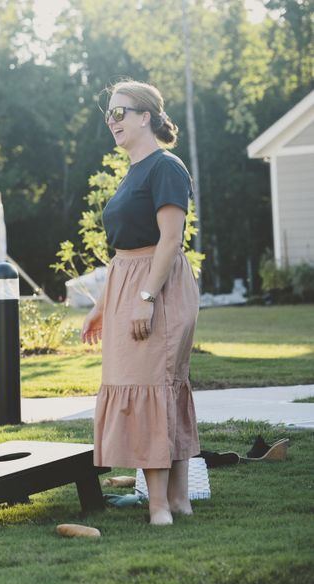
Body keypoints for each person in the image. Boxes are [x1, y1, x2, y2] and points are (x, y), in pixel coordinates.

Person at [81, 80, 201, 525]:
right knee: (155, 387)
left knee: (156, 387)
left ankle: (162, 506)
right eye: (108, 114)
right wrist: (103, 303)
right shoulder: (134, 171)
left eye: (120, 112)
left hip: (157, 284)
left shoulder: (165, 167)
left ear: (145, 116)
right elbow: (123, 249)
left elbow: (171, 239)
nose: (112, 121)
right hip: (129, 283)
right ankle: (175, 500)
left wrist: (146, 297)